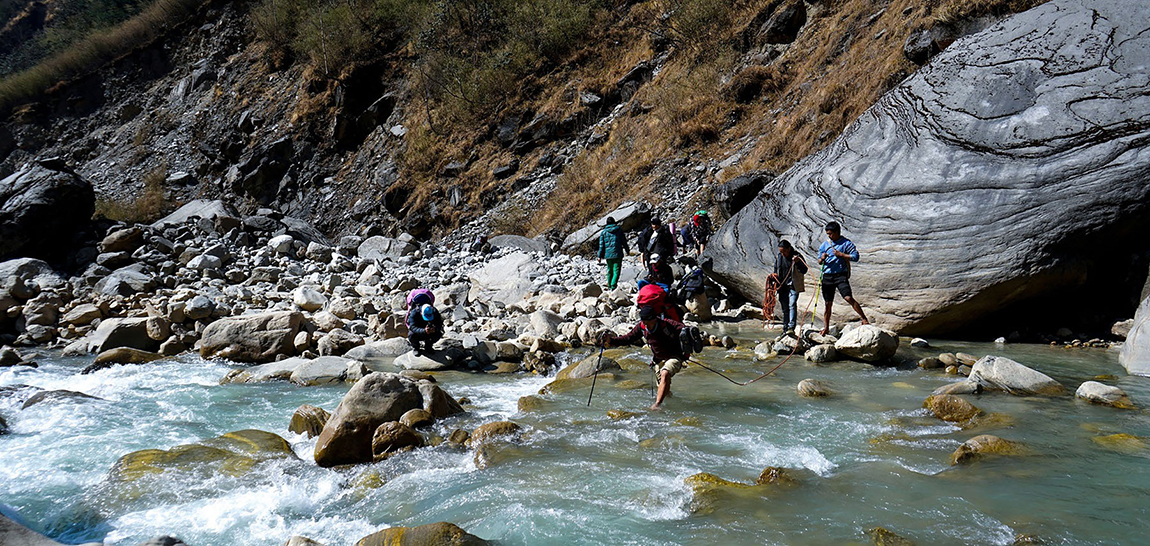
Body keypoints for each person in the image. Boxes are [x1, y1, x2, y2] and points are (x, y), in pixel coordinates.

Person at [600, 306, 689, 410]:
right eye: (644, 322)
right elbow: (628, 338)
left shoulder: (667, 324)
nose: (647, 325)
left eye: (649, 322)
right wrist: (611, 341)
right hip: (658, 360)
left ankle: (657, 405)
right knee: (665, 390)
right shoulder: (642, 327)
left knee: (665, 373)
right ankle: (674, 405)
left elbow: (685, 329)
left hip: (675, 357)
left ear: (654, 319)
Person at [817, 221, 869, 334]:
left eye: (830, 233)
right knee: (828, 303)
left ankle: (864, 318)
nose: (829, 236)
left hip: (840, 275)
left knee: (848, 298)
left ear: (837, 232)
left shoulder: (846, 243)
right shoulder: (825, 244)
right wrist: (822, 258)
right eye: (827, 234)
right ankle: (826, 327)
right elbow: (819, 261)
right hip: (827, 276)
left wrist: (842, 255)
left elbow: (856, 257)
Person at [771, 240, 808, 335]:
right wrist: (774, 276)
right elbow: (776, 269)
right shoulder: (779, 257)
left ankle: (791, 327)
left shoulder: (797, 256)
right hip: (782, 286)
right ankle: (785, 328)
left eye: (784, 251)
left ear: (789, 248)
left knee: (792, 304)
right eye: (781, 252)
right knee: (785, 308)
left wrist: (798, 262)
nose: (783, 254)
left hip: (793, 286)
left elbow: (804, 270)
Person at [597, 216, 629, 290]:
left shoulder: (603, 232)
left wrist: (599, 256)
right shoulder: (619, 230)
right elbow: (624, 241)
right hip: (617, 254)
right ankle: (613, 286)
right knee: (616, 270)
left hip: (608, 255)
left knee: (609, 270)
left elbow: (601, 245)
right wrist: (627, 250)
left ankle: (609, 285)